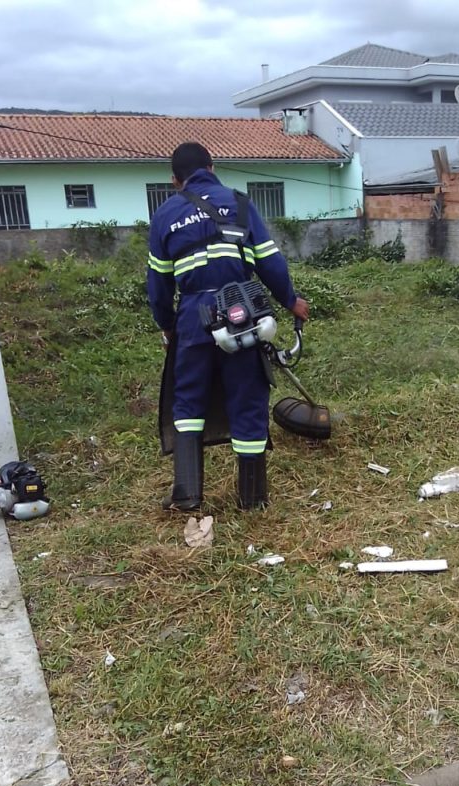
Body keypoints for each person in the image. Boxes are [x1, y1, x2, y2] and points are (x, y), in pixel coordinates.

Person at [147, 141, 309, 511]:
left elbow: (157, 285)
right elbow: (270, 261)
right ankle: (252, 500)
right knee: (248, 401)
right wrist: (291, 300)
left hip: (192, 317)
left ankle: (187, 495)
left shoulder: (166, 215)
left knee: (187, 401)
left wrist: (168, 325)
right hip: (243, 311)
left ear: (175, 181)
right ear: (213, 165)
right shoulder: (239, 203)